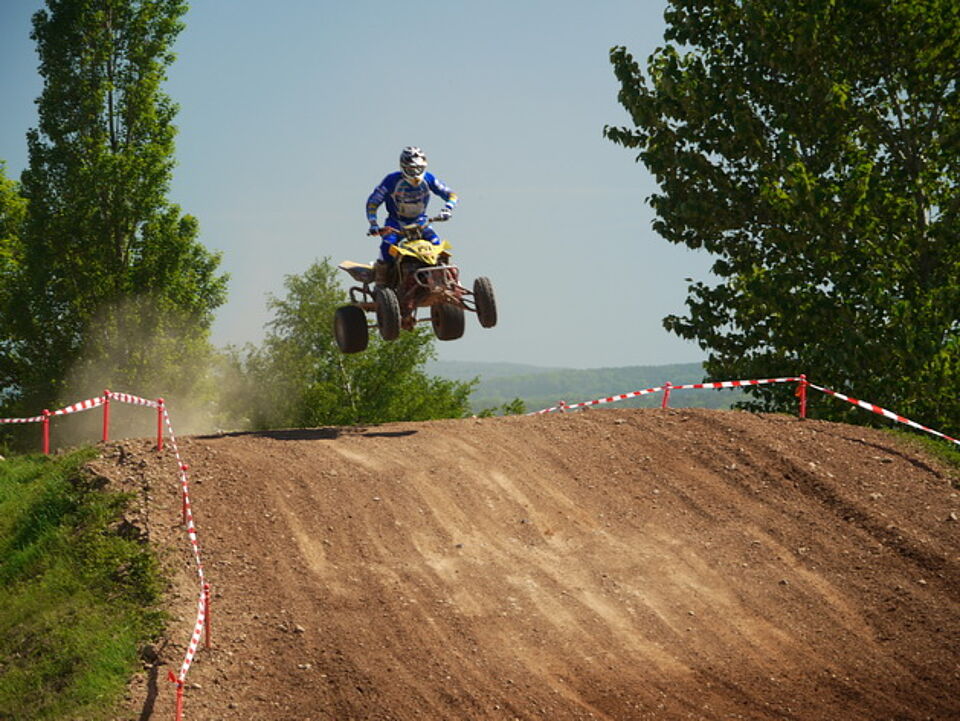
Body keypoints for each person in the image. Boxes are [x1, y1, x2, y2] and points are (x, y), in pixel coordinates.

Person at [365, 146, 458, 284]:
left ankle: (448, 280)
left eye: (418, 169)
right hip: (395, 224)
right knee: (387, 246)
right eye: (411, 169)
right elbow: (373, 202)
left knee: (436, 244)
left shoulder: (429, 178)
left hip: (421, 223)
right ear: (403, 167)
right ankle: (382, 283)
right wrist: (373, 223)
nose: (415, 173)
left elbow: (451, 194)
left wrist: (447, 208)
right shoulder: (391, 180)